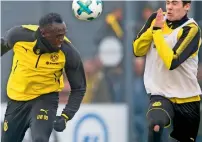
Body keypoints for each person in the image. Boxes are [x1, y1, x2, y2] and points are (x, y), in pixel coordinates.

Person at [1, 13, 86, 142]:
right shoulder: (18, 36)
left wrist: (65, 116)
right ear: (44, 34)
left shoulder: (68, 53)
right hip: (16, 99)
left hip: (45, 99)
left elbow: (79, 88)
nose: (62, 39)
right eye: (58, 36)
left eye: (63, 34)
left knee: (40, 139)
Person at [133, 0, 201, 142]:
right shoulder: (156, 19)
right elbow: (137, 50)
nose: (169, 7)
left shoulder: (191, 29)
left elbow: (172, 61)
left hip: (187, 98)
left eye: (175, 3)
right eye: (168, 2)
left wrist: (157, 33)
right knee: (155, 124)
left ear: (187, 6)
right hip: (160, 93)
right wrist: (153, 29)